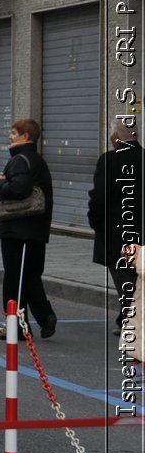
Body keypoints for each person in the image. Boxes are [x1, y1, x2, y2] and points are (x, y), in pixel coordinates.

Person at [0, 117, 59, 338]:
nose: (10, 136)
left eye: (13, 132)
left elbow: (19, 189)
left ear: (25, 136)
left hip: (18, 229)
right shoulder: (37, 160)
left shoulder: (20, 160)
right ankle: (44, 317)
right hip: (35, 229)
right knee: (29, 276)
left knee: (14, 278)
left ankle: (17, 326)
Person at [89, 121, 142, 336]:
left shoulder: (109, 160)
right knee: (138, 276)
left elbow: (99, 197)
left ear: (116, 136)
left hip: (116, 232)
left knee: (124, 277)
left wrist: (96, 222)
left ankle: (132, 320)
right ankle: (125, 317)